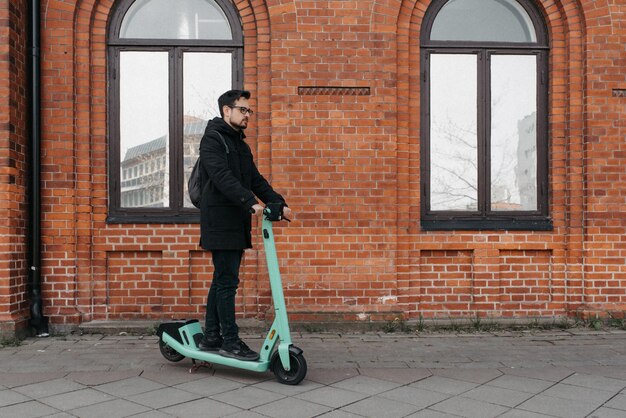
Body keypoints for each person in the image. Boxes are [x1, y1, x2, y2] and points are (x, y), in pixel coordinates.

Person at [197, 89, 291, 361]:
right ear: (227, 110)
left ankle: (212, 336)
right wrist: (250, 202)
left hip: (235, 221)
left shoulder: (240, 144)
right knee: (227, 282)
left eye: (250, 111)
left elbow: (255, 178)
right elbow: (221, 176)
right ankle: (230, 340)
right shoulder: (212, 139)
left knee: (222, 279)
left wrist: (279, 203)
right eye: (243, 110)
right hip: (218, 220)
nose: (248, 114)